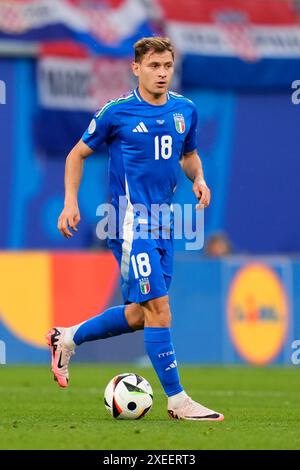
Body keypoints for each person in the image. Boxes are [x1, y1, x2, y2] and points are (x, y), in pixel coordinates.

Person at [46, 37, 224, 422]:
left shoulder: (184, 110)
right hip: (129, 222)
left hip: (165, 223)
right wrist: (70, 202)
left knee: (141, 314)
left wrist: (200, 179)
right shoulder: (118, 112)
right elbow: (76, 153)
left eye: (167, 66)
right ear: (137, 68)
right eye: (154, 66)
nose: (161, 73)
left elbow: (189, 155)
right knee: (160, 309)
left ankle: (67, 338)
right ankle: (178, 401)